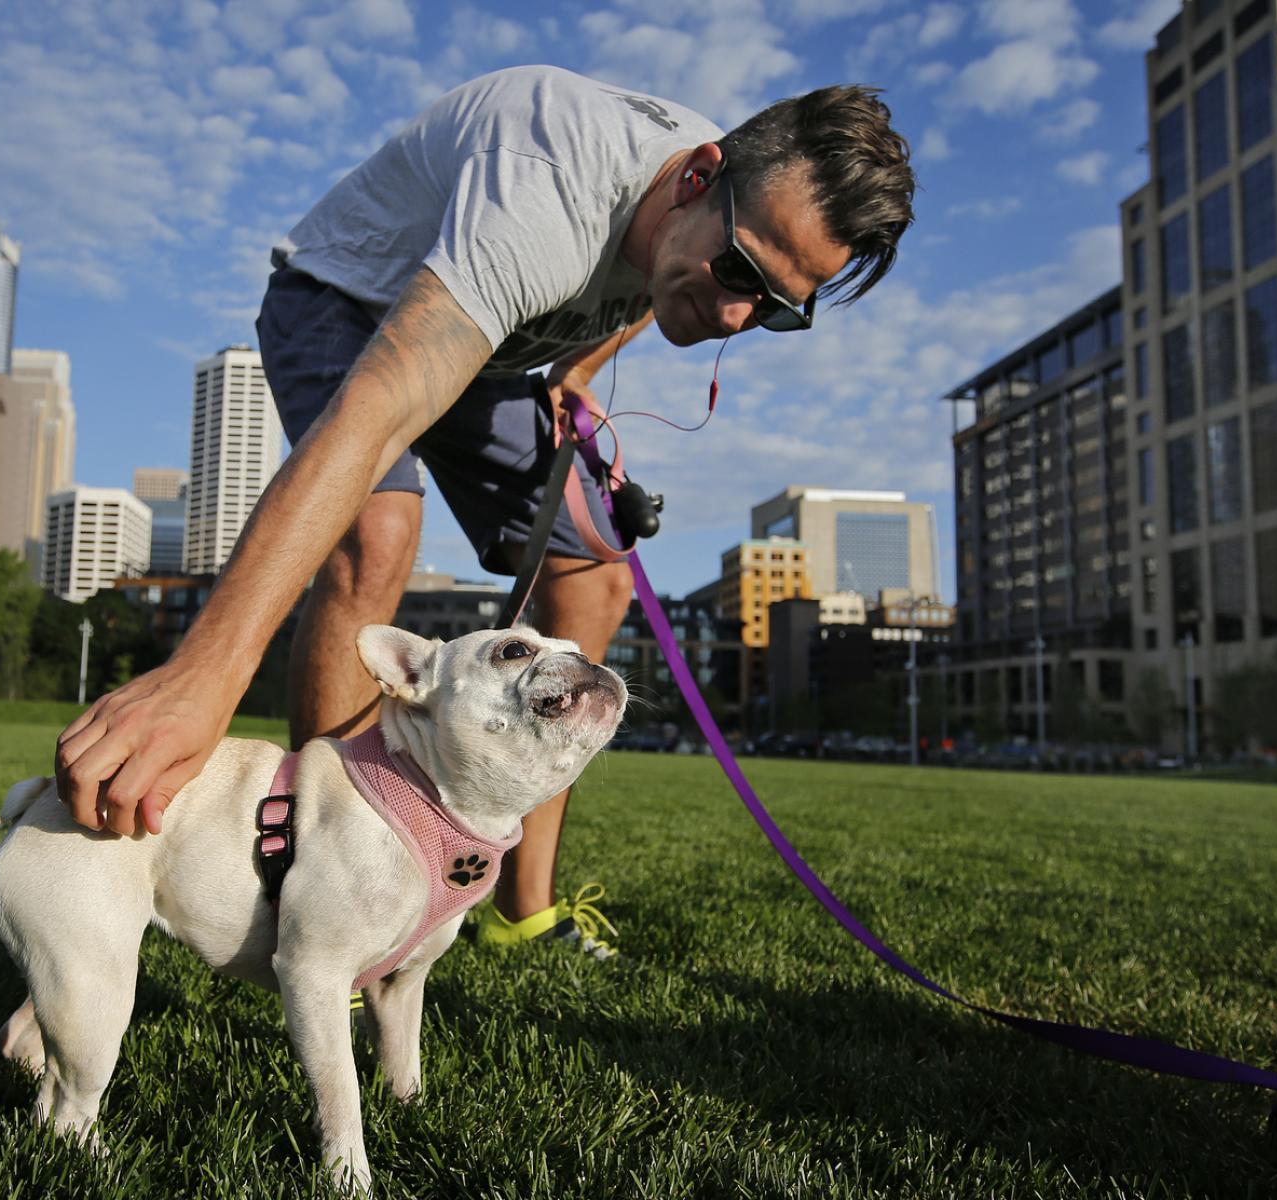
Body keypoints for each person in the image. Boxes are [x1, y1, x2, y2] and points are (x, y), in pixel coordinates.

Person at [56, 65, 914, 957]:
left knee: (596, 571)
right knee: (379, 536)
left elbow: (657, 287)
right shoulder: (548, 189)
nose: (736, 314)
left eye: (778, 309)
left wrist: (574, 370)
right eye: (739, 271)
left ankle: (519, 910)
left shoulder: (707, 203)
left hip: (499, 355)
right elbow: (379, 406)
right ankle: (325, 888)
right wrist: (204, 677)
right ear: (695, 177)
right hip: (347, 299)